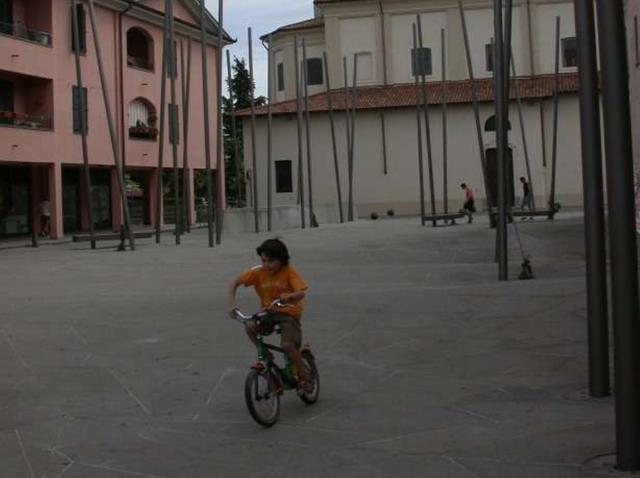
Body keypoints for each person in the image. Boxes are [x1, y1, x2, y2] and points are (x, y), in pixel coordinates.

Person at [228, 238, 311, 393]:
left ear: (281, 259)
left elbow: (301, 293)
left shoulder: (288, 271)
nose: (267, 265)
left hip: (288, 314)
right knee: (250, 326)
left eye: (271, 261)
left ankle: (304, 376)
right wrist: (232, 305)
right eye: (263, 260)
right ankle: (267, 356)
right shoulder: (259, 272)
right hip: (269, 313)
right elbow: (234, 282)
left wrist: (290, 296)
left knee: (287, 345)